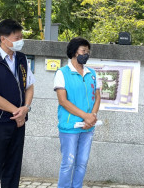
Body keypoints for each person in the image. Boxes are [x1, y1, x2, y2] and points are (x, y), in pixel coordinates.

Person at [0, 19, 35, 188]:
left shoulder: (21, 59)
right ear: (3, 39)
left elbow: (30, 86)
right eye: (17, 37)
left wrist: (25, 108)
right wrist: (16, 111)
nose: (20, 41)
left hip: (19, 123)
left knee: (13, 167)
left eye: (20, 37)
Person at [53, 37, 101, 188]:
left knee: (82, 162)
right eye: (83, 51)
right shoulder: (62, 73)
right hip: (70, 126)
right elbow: (63, 101)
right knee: (68, 162)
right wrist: (85, 116)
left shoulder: (92, 73)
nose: (86, 54)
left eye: (88, 51)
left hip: (88, 126)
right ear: (74, 52)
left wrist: (91, 117)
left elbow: (97, 96)